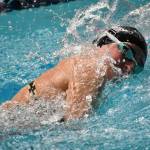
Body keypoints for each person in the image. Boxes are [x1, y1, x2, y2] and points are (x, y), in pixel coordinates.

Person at [1, 26, 147, 121]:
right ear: (104, 42)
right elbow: (74, 129)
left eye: (137, 66)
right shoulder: (92, 69)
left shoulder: (80, 63)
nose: (129, 66)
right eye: (127, 51)